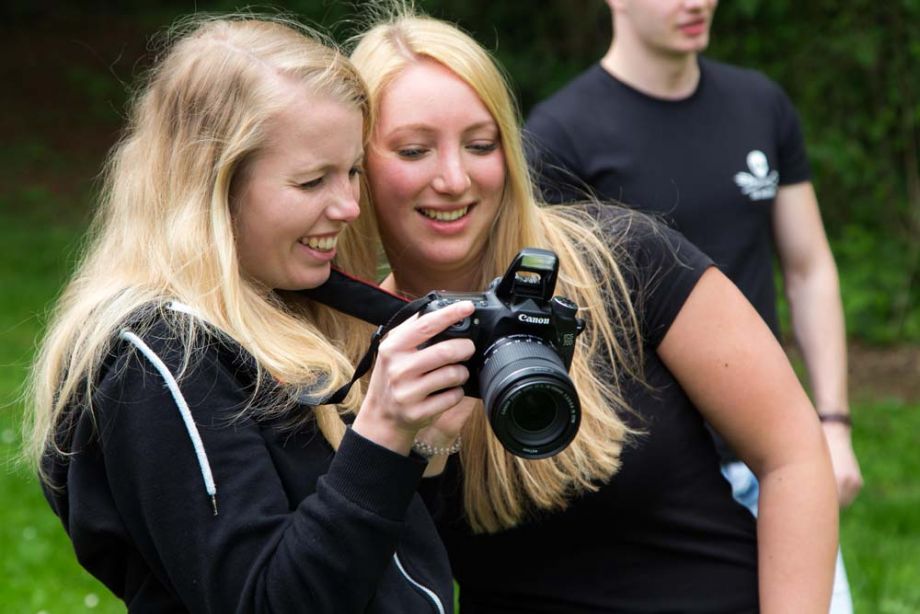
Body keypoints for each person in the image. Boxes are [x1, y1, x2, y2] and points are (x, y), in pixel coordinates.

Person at [342, 6, 838, 613]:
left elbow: (791, 450)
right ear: (356, 167)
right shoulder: (353, 345)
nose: (454, 178)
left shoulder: (623, 259)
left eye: (480, 144)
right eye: (414, 151)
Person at [23, 14, 479, 613]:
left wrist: (422, 449)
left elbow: (386, 566)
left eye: (351, 173)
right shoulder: (158, 361)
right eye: (313, 181)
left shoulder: (285, 300)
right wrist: (383, 432)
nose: (347, 207)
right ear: (213, 185)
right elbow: (265, 600)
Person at [523, 1, 862, 611]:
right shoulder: (559, 136)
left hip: (779, 451)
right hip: (662, 485)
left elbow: (809, 270)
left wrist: (832, 424)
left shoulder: (761, 104)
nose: (696, 2)